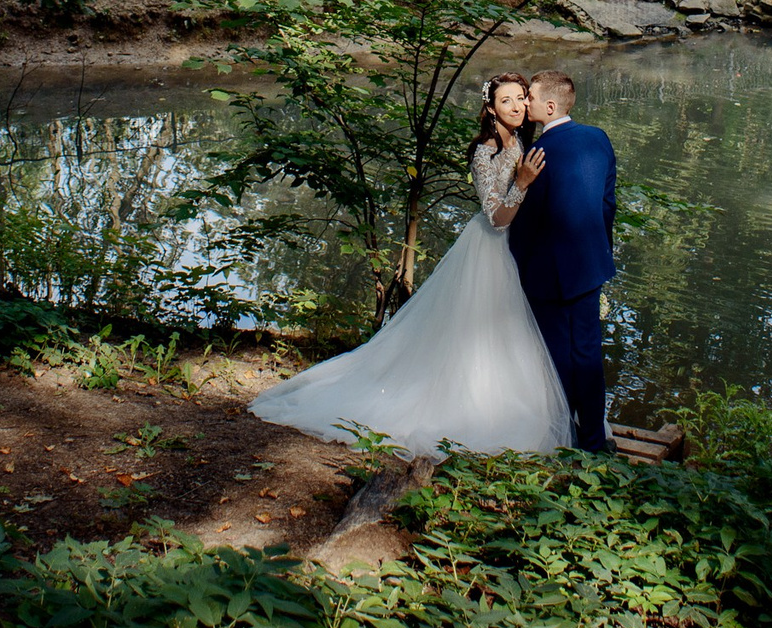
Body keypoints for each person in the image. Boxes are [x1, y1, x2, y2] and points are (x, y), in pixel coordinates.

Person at [249, 74, 572, 454]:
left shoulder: (519, 140)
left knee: (506, 334)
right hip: (488, 249)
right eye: (506, 101)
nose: (517, 107)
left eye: (520, 98)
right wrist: (522, 182)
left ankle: (506, 405)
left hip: (514, 250)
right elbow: (497, 218)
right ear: (490, 109)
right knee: (475, 336)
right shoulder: (484, 151)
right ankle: (469, 410)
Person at [508, 70, 616, 452]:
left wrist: (515, 263)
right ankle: (593, 439)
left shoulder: (539, 153)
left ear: (549, 107)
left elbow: (528, 221)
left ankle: (561, 435)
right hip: (590, 265)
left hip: (548, 271)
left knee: (554, 356)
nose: (525, 103)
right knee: (587, 353)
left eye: (530, 98)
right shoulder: (598, 139)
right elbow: (607, 204)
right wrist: (598, 249)